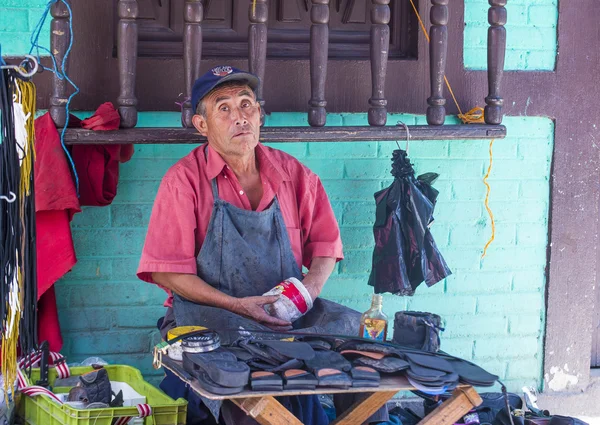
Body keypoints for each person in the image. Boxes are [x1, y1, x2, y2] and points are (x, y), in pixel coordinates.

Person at [137, 66, 387, 424]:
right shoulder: (183, 181)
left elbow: (327, 246)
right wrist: (237, 305)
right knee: (244, 377)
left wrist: (307, 293)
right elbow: (166, 271)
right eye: (223, 108)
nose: (239, 117)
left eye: (246, 105)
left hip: (283, 314)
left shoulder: (293, 173)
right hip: (212, 315)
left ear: (259, 114)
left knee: (361, 343)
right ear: (201, 125)